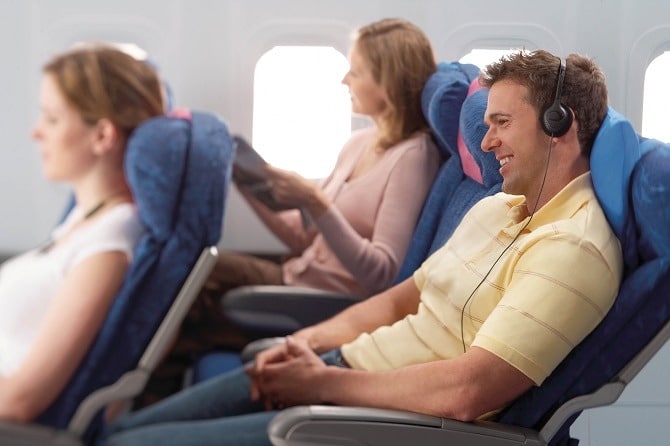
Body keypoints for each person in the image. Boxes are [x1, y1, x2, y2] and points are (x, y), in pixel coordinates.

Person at [101, 49, 623, 446]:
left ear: (560, 126)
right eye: (485, 125)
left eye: (501, 124)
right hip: (345, 368)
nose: (485, 144)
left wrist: (322, 384)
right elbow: (402, 298)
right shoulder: (498, 207)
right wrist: (308, 342)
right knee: (122, 432)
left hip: (374, 416)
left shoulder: (573, 250)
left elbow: (468, 392)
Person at [140, 17, 442, 405]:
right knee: (189, 267)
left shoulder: (414, 158)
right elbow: (304, 238)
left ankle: (140, 408)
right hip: (294, 274)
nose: (344, 81)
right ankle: (137, 402)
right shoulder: (360, 142)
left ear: (389, 81)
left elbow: (380, 275)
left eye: (356, 71)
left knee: (183, 308)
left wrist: (315, 202)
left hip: (323, 305)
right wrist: (249, 182)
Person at [0, 44, 164, 422]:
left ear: (102, 135)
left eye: (52, 119)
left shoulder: (108, 245)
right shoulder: (86, 217)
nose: (35, 133)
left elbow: (17, 403)